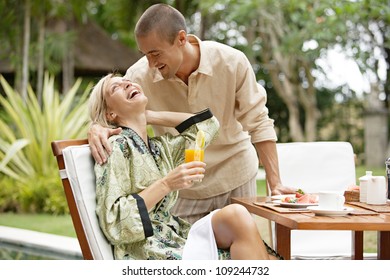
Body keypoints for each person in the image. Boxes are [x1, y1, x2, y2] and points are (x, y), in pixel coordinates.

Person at [88, 3, 295, 224]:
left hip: (237, 174)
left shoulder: (231, 62)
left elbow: (259, 122)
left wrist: (275, 184)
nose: (150, 63)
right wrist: (97, 126)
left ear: (181, 39)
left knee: (243, 251)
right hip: (185, 188)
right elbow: (112, 113)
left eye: (155, 53)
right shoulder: (138, 77)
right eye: (145, 54)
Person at [88, 73, 281, 260]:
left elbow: (208, 127)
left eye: (127, 81)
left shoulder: (160, 147)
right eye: (117, 87)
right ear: (110, 113)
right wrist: (166, 184)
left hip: (175, 235)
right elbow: (114, 221)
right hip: (148, 249)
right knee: (261, 255)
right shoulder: (116, 147)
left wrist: (150, 115)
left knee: (238, 217)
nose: (128, 84)